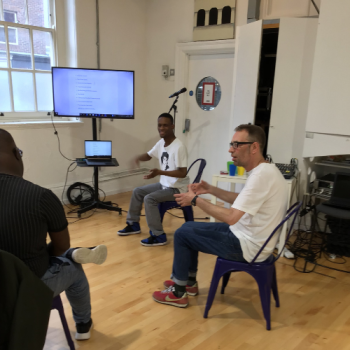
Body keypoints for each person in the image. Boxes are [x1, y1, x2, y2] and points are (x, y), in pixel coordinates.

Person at [152, 124, 288, 307]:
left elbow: (232, 217)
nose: (231, 150)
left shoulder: (260, 176)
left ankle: (178, 291)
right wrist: (210, 189)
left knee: (182, 234)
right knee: (186, 227)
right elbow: (242, 200)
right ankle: (188, 283)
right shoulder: (266, 171)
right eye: (231, 144)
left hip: (248, 247)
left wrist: (195, 200)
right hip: (250, 238)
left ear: (254, 147)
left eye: (237, 144)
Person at [0, 129, 107, 340]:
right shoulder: (41, 196)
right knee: (74, 267)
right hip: (27, 285)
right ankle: (83, 325)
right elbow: (60, 246)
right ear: (16, 154)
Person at [118, 113, 189, 246]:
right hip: (164, 185)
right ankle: (133, 225)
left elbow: (182, 173)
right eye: (159, 125)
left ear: (172, 126)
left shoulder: (179, 147)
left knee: (149, 199)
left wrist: (159, 172)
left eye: (165, 125)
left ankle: (159, 235)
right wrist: (138, 157)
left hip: (177, 188)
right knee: (138, 191)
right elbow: (149, 155)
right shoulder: (161, 143)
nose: (161, 128)